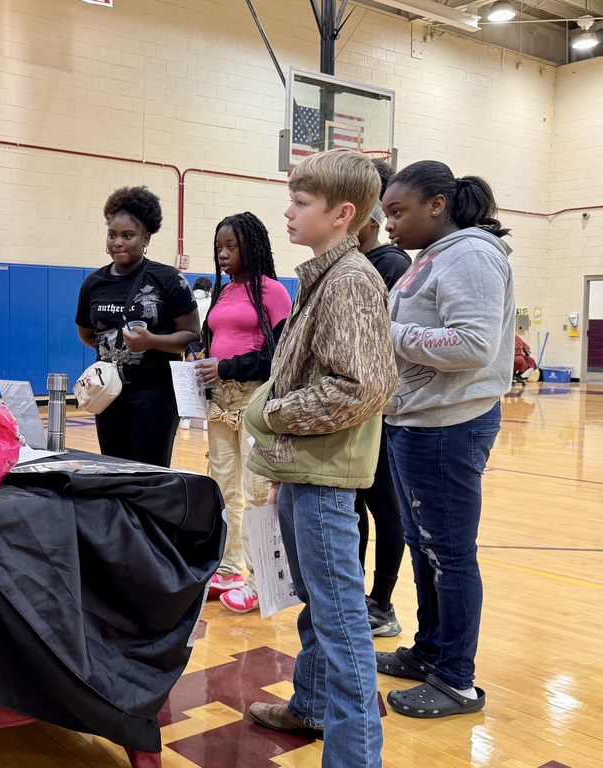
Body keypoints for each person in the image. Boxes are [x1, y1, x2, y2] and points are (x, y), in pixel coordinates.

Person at [242, 148, 397, 766]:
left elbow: (359, 387)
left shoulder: (353, 282)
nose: (288, 211)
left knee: (342, 624)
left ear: (343, 213)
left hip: (327, 477)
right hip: (304, 468)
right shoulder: (325, 276)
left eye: (301, 203)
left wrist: (271, 414)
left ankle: (355, 756)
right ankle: (310, 706)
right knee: (318, 606)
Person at [377, 160, 515, 718]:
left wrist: (389, 333)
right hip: (419, 422)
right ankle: (430, 650)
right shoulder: (434, 257)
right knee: (425, 546)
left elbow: (473, 344)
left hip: (448, 426)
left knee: (451, 555)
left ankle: (456, 679)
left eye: (397, 211)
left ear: (437, 205)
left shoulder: (473, 256)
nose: (389, 225)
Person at [193, 212, 291, 612]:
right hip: (220, 402)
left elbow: (279, 357)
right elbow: (217, 340)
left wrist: (228, 367)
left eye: (232, 246)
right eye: (219, 247)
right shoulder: (224, 292)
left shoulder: (273, 292)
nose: (223, 254)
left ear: (252, 246)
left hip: (254, 400)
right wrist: (202, 360)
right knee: (224, 489)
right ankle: (230, 567)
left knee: (254, 492)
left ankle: (261, 578)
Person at [75, 185, 200, 467]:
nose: (118, 242)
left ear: (146, 238)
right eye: (112, 235)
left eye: (127, 236)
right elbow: (87, 333)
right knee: (114, 469)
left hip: (155, 393)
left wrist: (151, 342)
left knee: (150, 472)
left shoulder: (168, 278)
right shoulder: (93, 283)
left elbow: (193, 335)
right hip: (107, 392)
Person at [355, 162, 412, 638]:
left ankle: (383, 602)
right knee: (352, 507)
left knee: (384, 507)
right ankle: (353, 595)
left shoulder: (391, 265)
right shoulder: (347, 264)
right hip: (352, 411)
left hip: (381, 410)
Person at [179, 276, 215, 430]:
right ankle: (207, 418)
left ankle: (185, 419)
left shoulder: (188, 299)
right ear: (209, 289)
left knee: (189, 381)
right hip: (206, 344)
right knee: (207, 379)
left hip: (189, 345)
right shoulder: (212, 300)